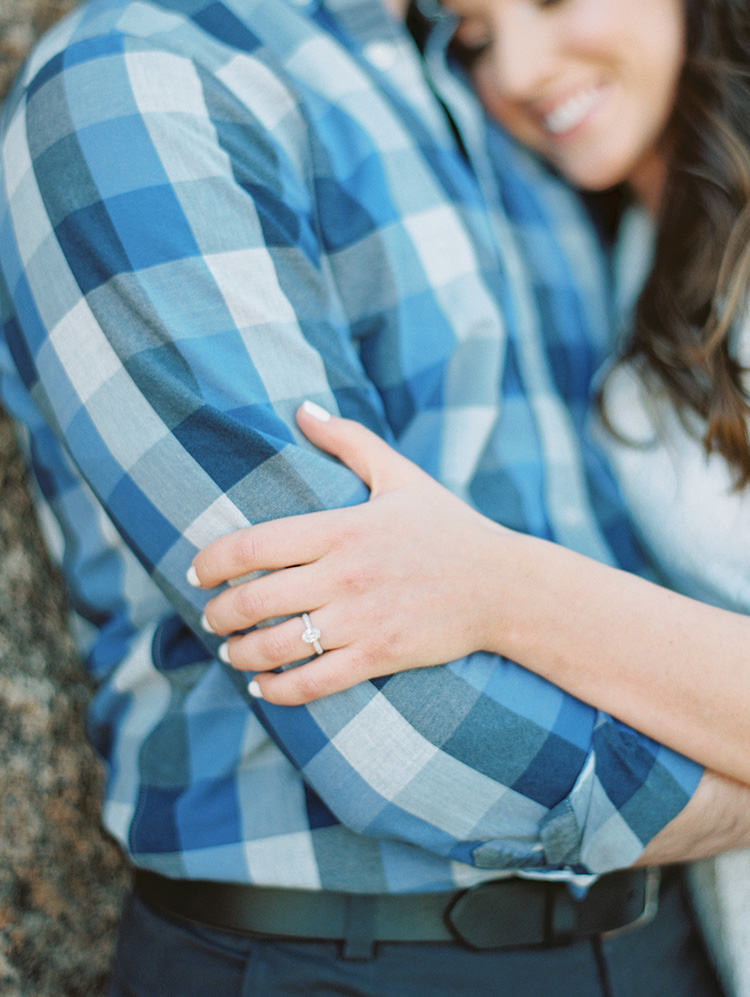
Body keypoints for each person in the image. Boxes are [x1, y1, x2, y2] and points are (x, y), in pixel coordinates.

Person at [0, 0, 744, 994]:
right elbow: (389, 719)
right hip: (349, 957)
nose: (521, 58)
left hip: (668, 942)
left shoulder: (488, 102)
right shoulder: (141, 75)